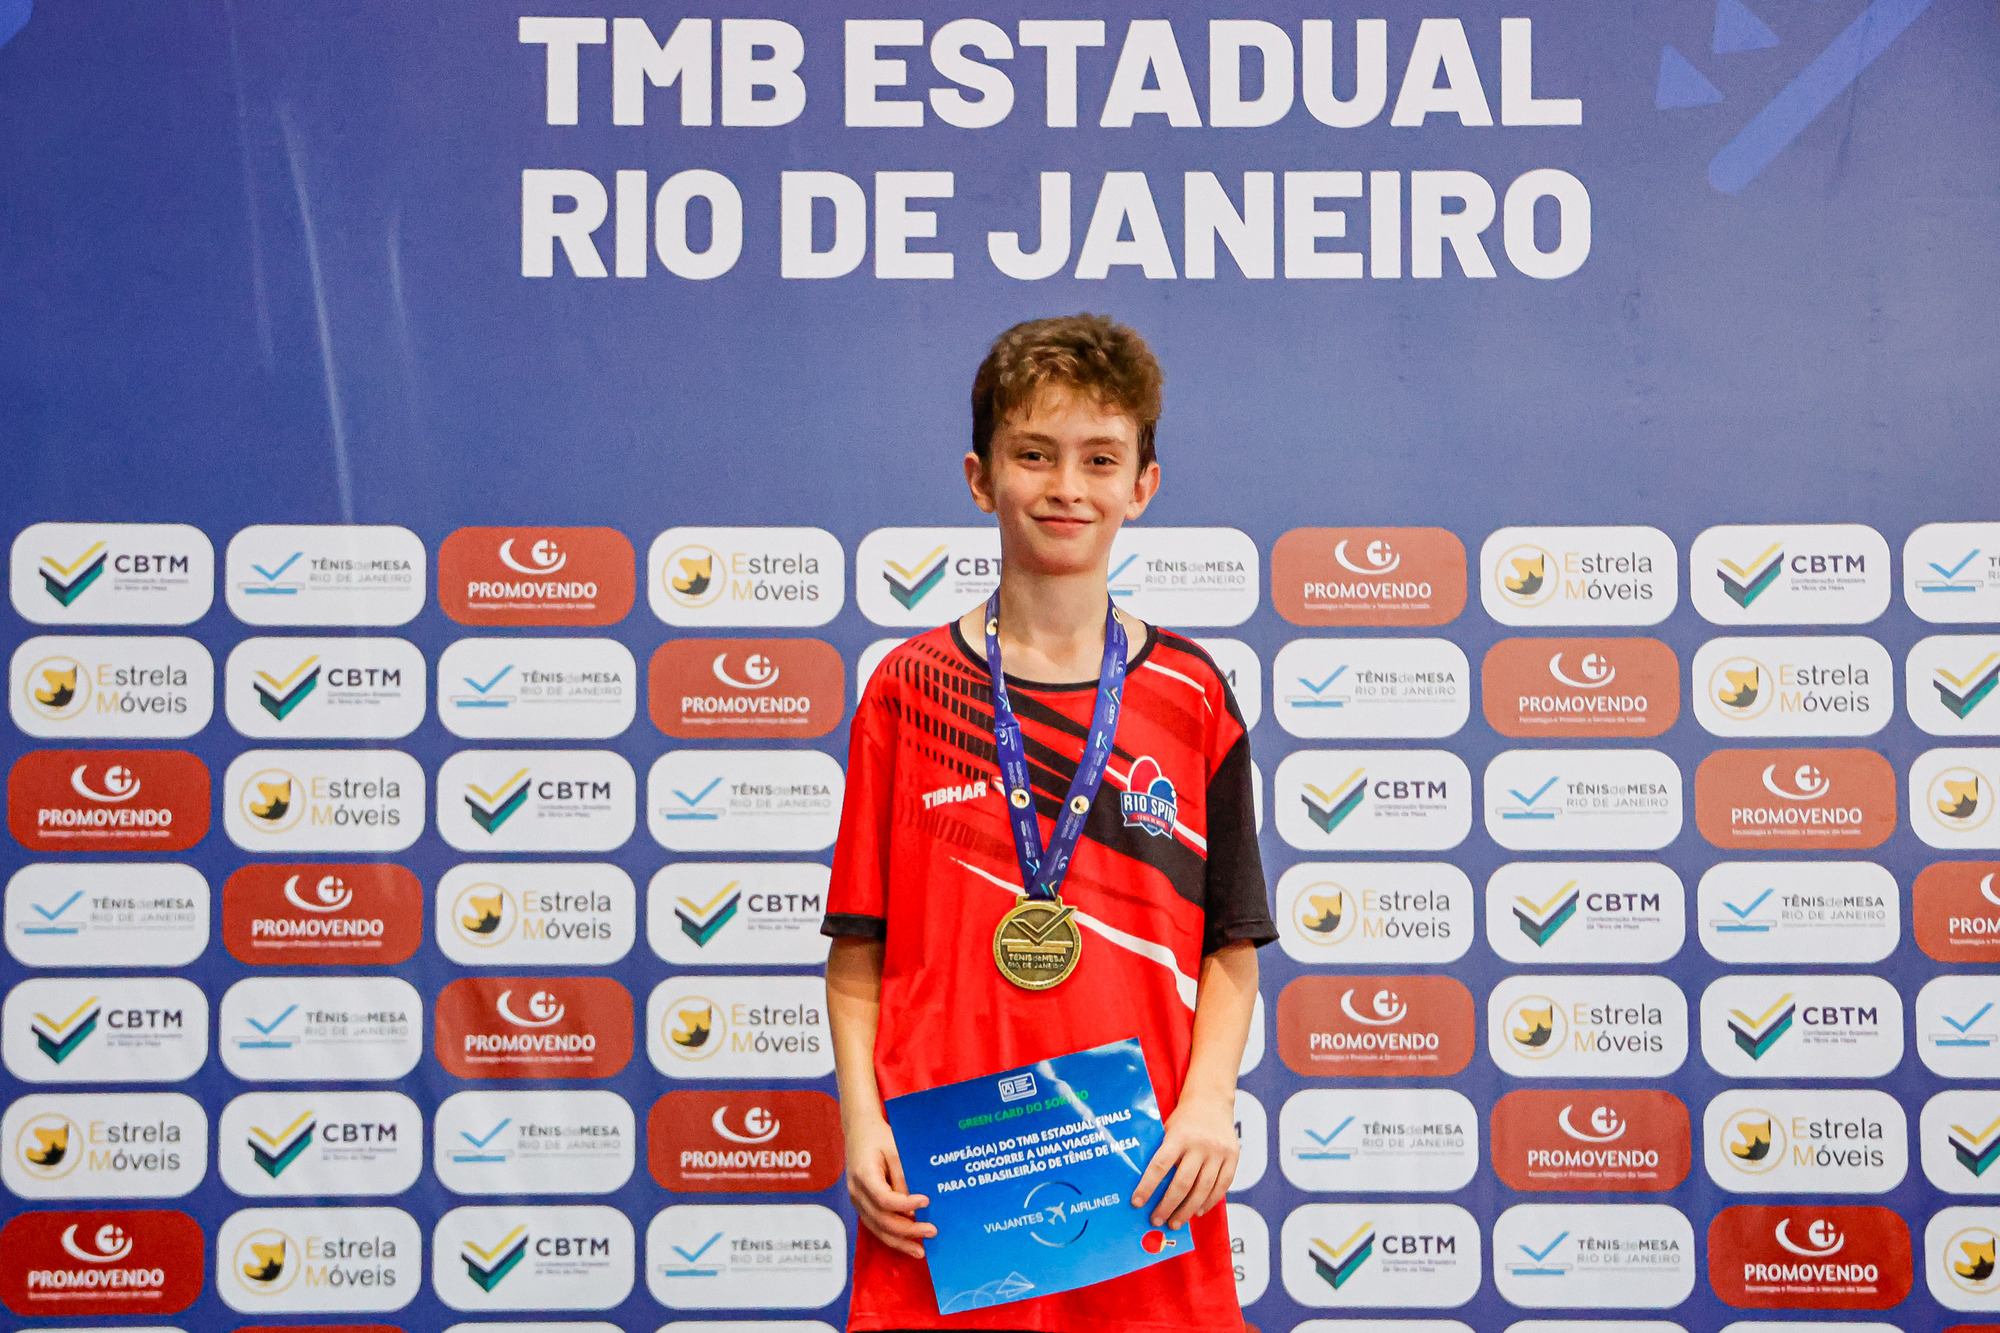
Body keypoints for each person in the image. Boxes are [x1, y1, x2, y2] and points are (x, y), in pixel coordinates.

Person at [822, 313, 1275, 1332]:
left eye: (1099, 459)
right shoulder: (906, 690)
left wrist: (1209, 1100)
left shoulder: (1193, 695)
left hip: (1142, 1171)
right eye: (1034, 454)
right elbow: (858, 946)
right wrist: (860, 1121)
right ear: (980, 478)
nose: (1068, 486)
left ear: (1141, 486)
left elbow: (1231, 942)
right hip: (943, 1177)